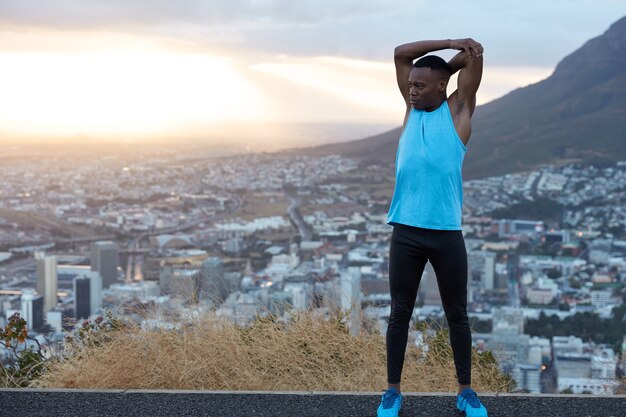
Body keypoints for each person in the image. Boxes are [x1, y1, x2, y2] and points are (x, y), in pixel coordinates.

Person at [377, 38, 487, 417]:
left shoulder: (458, 113)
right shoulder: (410, 115)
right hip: (405, 232)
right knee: (399, 314)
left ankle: (466, 393)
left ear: (443, 86)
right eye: (410, 84)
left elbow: (475, 59)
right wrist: (447, 46)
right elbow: (400, 54)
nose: (411, 89)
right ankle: (392, 392)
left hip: (445, 235)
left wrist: (448, 69)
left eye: (420, 85)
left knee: (457, 314)